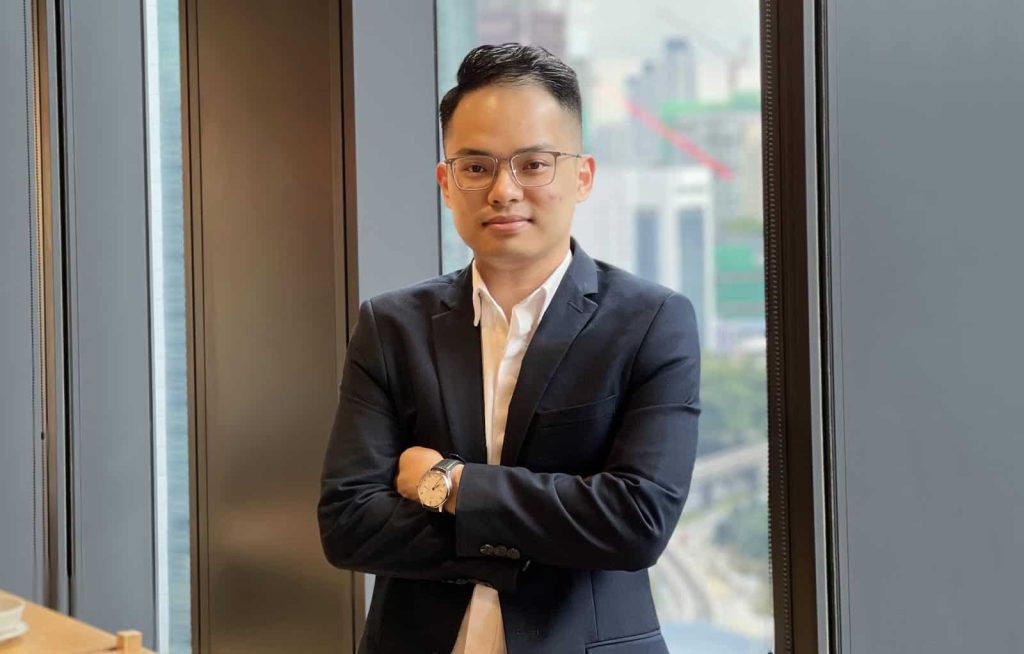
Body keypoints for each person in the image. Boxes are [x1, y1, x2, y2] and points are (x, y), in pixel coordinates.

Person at [318, 43, 700, 654]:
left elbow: (636, 523)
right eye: (476, 167)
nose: (503, 190)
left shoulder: (652, 321)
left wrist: (452, 485)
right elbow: (349, 526)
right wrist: (554, 526)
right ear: (447, 183)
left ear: (582, 175)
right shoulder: (391, 326)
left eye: (533, 164)